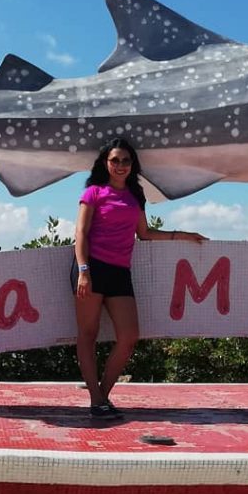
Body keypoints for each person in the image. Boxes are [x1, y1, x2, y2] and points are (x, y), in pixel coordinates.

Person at [72, 138, 207, 418]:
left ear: (132, 165)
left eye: (126, 161)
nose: (120, 165)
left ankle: (102, 395)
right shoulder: (94, 193)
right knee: (87, 335)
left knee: (129, 337)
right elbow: (81, 234)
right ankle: (97, 401)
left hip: (120, 271)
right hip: (92, 269)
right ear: (105, 163)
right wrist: (83, 271)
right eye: (115, 160)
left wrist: (181, 235)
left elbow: (144, 234)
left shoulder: (135, 195)